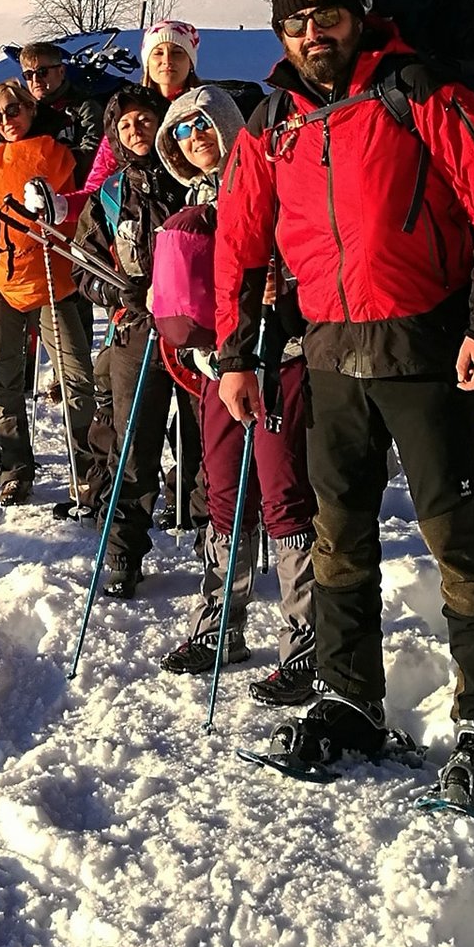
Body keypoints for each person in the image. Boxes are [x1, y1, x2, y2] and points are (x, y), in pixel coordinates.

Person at [215, 0, 474, 811]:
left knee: (455, 540)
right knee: (338, 538)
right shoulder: (273, 121)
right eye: (297, 24)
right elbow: (241, 243)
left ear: (354, 16)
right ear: (281, 35)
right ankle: (347, 696)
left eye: (326, 17)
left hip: (424, 346)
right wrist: (238, 354)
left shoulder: (415, 90)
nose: (314, 36)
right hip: (327, 354)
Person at [151, 83, 320, 703]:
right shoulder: (194, 200)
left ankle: (307, 646)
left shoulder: (273, 182)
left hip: (280, 357)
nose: (194, 138)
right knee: (224, 492)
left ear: (227, 128)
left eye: (204, 126)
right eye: (183, 131)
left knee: (284, 496)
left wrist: (286, 291)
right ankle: (221, 625)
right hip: (217, 367)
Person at [75, 86, 195, 594]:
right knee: (133, 443)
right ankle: (124, 550)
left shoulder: (192, 179)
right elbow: (85, 265)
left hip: (197, 331)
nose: (136, 129)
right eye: (125, 125)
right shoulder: (110, 193)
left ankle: (214, 539)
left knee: (203, 443)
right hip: (136, 331)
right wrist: (118, 293)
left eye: (145, 120)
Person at [0, 78, 96, 507]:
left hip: (56, 279)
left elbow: (88, 202)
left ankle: (86, 467)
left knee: (77, 376)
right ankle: (15, 467)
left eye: (13, 110)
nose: (6, 121)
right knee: (5, 377)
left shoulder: (62, 152)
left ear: (30, 109)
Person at [80, 18, 204, 201]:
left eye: (177, 52)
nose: (167, 60)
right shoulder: (126, 111)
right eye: (158, 53)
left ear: (191, 62)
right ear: (147, 62)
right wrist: (61, 205)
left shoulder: (205, 108)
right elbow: (96, 188)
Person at [20, 40, 116, 183]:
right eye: (28, 75)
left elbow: (92, 156)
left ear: (61, 71)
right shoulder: (23, 113)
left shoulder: (85, 107)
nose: (35, 79)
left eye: (42, 72)